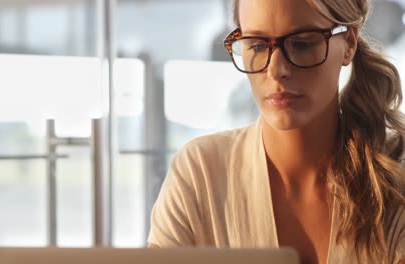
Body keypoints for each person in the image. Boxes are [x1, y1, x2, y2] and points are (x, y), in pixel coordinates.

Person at [147, 0, 405, 263]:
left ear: (349, 43)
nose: (276, 70)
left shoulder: (394, 179)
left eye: (302, 43)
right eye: (257, 45)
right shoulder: (200, 172)